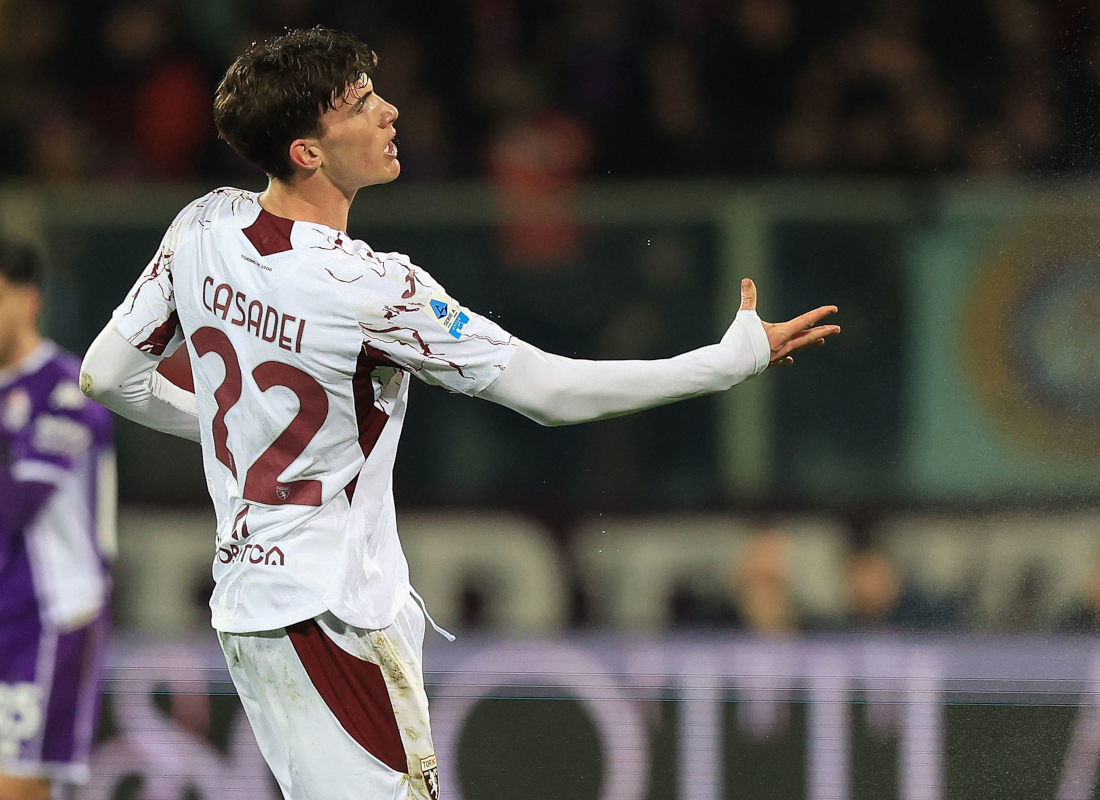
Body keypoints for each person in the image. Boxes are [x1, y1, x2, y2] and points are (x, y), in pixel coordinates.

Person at [79, 27, 839, 800]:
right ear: (308, 150)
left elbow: (107, 375)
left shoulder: (202, 226)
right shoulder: (375, 289)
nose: (390, 111)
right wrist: (727, 361)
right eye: (361, 104)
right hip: (335, 618)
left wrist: (234, 431)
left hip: (248, 607)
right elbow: (548, 392)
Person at [0, 242, 115, 800]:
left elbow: (14, 504)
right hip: (7, 614)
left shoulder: (67, 391)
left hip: (53, 618)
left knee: (21, 786)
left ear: (28, 301)